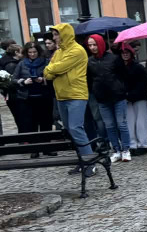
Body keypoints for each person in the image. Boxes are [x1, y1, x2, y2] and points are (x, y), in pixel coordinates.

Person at [43, 24, 95, 174]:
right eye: (53, 35)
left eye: (56, 34)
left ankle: (89, 162)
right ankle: (82, 161)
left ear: (64, 34)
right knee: (70, 130)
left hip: (76, 94)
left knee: (76, 128)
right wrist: (52, 69)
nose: (54, 38)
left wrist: (52, 69)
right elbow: (48, 73)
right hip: (61, 95)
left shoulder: (77, 50)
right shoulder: (59, 52)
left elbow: (56, 69)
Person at [86, 34, 132, 161]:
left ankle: (126, 149)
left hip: (117, 96)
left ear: (100, 44)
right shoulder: (90, 61)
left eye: (94, 44)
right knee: (109, 125)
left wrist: (122, 90)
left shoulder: (114, 59)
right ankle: (116, 149)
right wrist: (95, 91)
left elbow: (124, 75)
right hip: (102, 98)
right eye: (90, 45)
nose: (92, 47)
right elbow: (89, 80)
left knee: (121, 124)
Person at [11, 41, 55, 145]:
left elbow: (52, 77)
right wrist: (23, 82)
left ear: (38, 52)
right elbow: (13, 79)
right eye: (30, 52)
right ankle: (35, 148)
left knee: (46, 122)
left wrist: (43, 80)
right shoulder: (22, 63)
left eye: (34, 52)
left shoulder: (45, 62)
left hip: (44, 97)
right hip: (27, 98)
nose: (32, 54)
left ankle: (47, 147)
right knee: (31, 124)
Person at [120, 44, 147, 154]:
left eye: (127, 52)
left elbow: (143, 83)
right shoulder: (119, 68)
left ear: (131, 54)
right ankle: (132, 144)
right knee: (129, 122)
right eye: (123, 52)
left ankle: (143, 144)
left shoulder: (138, 67)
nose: (125, 54)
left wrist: (131, 94)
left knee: (141, 122)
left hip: (139, 97)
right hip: (126, 99)